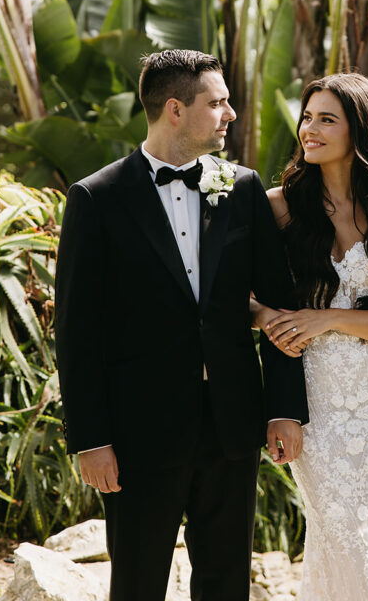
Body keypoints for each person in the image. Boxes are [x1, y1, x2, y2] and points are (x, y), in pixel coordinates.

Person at [54, 49, 308, 601]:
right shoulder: (97, 199)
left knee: (225, 585)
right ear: (174, 109)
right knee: (138, 583)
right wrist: (91, 439)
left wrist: (285, 408)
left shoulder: (241, 189)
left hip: (232, 427)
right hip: (139, 431)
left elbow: (279, 304)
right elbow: (77, 332)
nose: (230, 113)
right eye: (217, 103)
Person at [251, 73, 368, 601]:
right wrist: (268, 319)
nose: (310, 128)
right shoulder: (278, 207)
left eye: (327, 118)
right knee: (341, 535)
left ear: (362, 129)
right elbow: (226, 294)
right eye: (307, 117)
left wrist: (324, 318)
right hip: (317, 400)